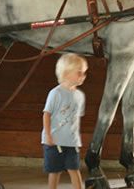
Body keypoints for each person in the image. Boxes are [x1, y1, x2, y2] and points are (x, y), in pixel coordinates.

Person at [42, 53, 87, 189]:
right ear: (66, 73)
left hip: (71, 142)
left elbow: (75, 119)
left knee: (74, 169)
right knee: (55, 171)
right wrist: (49, 135)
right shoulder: (55, 93)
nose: (83, 75)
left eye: (84, 72)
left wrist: (76, 137)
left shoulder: (80, 96)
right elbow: (47, 114)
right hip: (54, 141)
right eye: (79, 72)